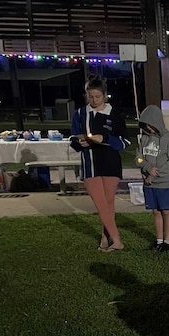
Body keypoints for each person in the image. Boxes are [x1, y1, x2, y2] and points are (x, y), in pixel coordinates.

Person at [70, 77, 130, 252]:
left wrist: (104, 139)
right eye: (90, 96)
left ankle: (106, 237)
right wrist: (79, 142)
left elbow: (125, 142)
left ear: (104, 95)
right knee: (100, 203)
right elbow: (73, 137)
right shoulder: (80, 114)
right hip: (90, 163)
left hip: (110, 163)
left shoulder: (115, 114)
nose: (94, 100)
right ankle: (117, 240)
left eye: (97, 96)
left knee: (108, 202)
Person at [135, 104, 169, 253]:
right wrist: (147, 168)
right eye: (147, 126)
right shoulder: (144, 139)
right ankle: (159, 240)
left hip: (164, 183)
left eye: (152, 125)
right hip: (148, 183)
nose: (150, 129)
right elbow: (138, 159)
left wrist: (157, 173)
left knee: (166, 211)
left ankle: (167, 241)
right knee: (155, 211)